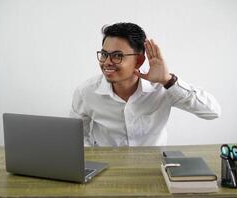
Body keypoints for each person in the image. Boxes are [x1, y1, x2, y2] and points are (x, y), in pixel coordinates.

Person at [70, 22, 221, 147]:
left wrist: (168, 81)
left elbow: (212, 112)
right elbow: (76, 138)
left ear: (139, 60)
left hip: (154, 168)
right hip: (107, 169)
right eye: (104, 54)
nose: (107, 62)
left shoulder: (162, 88)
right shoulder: (86, 92)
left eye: (117, 56)